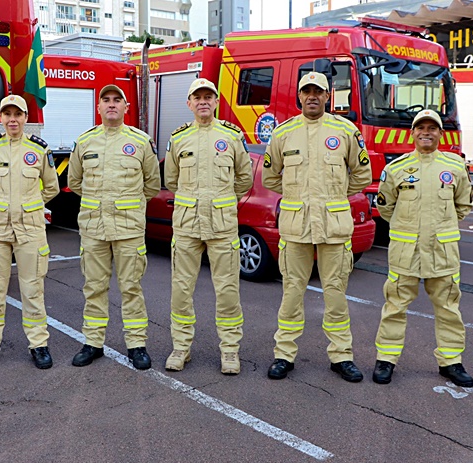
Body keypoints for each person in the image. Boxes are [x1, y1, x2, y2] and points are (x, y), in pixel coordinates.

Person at [262, 72, 372, 381]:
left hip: (333, 226)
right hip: (296, 226)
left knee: (335, 294)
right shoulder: (284, 133)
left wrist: (333, 196)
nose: (312, 96)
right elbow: (271, 177)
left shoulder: (346, 131)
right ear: (299, 97)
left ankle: (342, 356)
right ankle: (284, 354)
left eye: (318, 91)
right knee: (292, 293)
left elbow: (363, 175)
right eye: (306, 91)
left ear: (328, 95)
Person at [371, 109, 473, 387]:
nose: (426, 132)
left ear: (440, 133)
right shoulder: (396, 169)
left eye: (432, 128)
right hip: (406, 252)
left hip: (442, 253)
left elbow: (462, 207)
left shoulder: (454, 167)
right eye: (421, 128)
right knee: (394, 307)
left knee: (448, 309)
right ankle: (386, 360)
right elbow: (384, 207)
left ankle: (451, 362)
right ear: (413, 133)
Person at [68, 84, 161, 370]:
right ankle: (93, 343)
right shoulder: (85, 142)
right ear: (98, 107)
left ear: (126, 107)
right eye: (105, 100)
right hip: (94, 228)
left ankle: (136, 345)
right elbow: (74, 182)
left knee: (131, 288)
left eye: (116, 100)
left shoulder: (141, 142)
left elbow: (152, 184)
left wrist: (126, 204)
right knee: (93, 287)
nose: (111, 104)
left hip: (128, 229)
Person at [163, 78, 253, 374]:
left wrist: (221, 201)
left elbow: (244, 178)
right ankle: (181, 348)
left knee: (227, 290)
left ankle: (229, 351)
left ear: (216, 102)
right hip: (187, 225)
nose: (203, 101)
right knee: (181, 290)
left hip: (222, 226)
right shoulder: (179, 138)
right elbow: (171, 181)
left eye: (208, 97)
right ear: (189, 104)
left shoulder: (231, 136)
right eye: (197, 97)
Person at [0, 94, 59, 370]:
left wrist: (29, 207)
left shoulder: (38, 149)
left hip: (31, 228)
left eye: (18, 114)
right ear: (1, 118)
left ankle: (39, 345)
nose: (12, 119)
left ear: (25, 118)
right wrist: (1, 208)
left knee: (33, 289)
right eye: (7, 114)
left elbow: (52, 187)